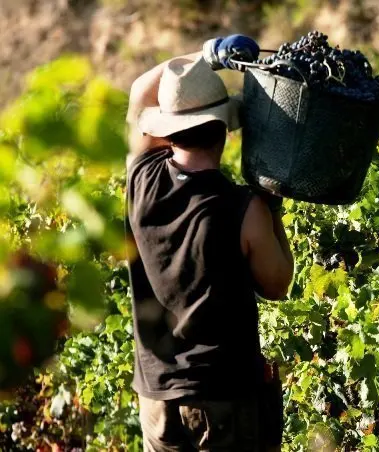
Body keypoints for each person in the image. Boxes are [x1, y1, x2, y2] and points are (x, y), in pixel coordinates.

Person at [124, 34, 294, 451]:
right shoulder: (244, 209)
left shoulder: (140, 178)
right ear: (225, 130)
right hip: (223, 400)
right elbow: (277, 283)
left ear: (167, 128)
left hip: (156, 398)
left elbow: (138, 91)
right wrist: (273, 208)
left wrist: (204, 57)